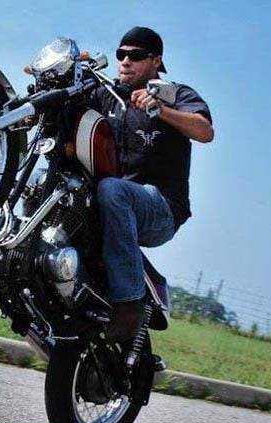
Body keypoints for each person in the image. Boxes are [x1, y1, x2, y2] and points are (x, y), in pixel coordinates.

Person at [88, 26, 214, 342]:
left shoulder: (176, 93)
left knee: (111, 190)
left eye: (136, 55)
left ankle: (130, 302)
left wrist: (160, 109)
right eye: (121, 54)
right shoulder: (108, 95)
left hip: (161, 209)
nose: (125, 61)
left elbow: (204, 131)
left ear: (156, 61)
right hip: (117, 204)